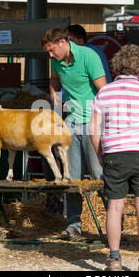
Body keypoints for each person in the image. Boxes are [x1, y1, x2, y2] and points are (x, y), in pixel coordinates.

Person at [90, 44, 139, 271]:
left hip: (114, 153)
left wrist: (101, 154)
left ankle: (114, 259)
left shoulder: (104, 92)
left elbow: (94, 130)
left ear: (116, 67)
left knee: (114, 207)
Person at [41, 28, 107, 238]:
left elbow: (103, 91)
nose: (50, 55)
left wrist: (102, 122)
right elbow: (54, 80)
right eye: (48, 53)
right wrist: (56, 103)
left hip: (92, 123)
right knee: (71, 177)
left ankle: (115, 222)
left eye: (52, 50)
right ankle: (73, 224)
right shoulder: (56, 62)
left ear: (62, 42)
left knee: (99, 175)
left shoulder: (89, 56)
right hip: (71, 122)